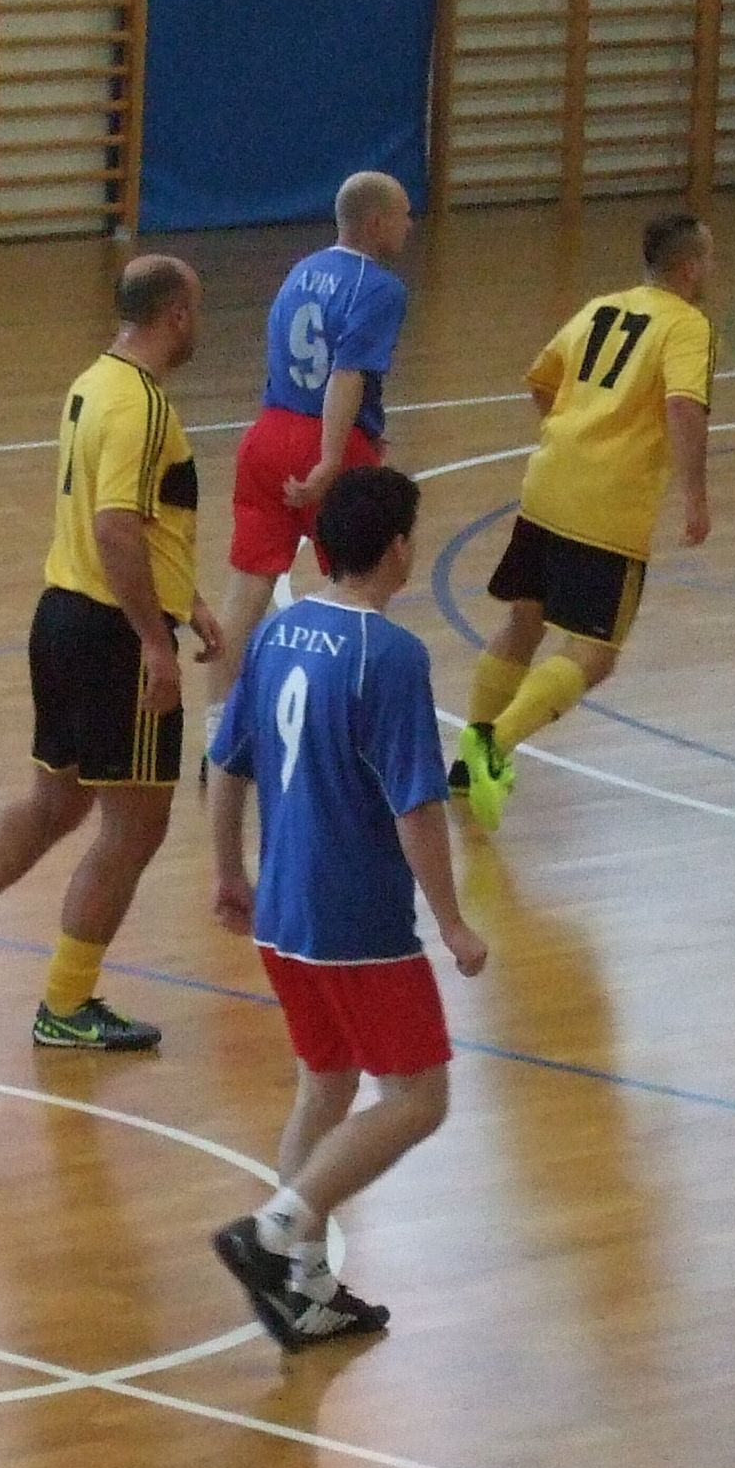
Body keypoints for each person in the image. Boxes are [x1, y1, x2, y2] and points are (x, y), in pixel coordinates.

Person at [0, 255, 223, 1052]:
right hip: (114, 635)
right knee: (135, 828)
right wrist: (156, 640)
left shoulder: (94, 383)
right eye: (197, 310)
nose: (199, 325)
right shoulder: (143, 405)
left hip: (62, 617)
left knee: (56, 805)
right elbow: (116, 528)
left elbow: (139, 525)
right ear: (176, 314)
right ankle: (66, 1005)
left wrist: (190, 602)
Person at [206, 466, 489, 1348]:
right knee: (420, 1099)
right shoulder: (391, 656)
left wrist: (227, 871)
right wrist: (451, 921)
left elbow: (227, 761)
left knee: (325, 1086)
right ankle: (273, 1232)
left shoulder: (278, 633)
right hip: (357, 926)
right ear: (399, 547)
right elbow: (417, 805)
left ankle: (308, 1288)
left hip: (282, 914)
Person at [450, 210, 716, 831]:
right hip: (608, 506)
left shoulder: (602, 307)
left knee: (523, 621)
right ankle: (492, 747)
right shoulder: (687, 325)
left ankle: (467, 762)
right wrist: (696, 496)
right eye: (709, 258)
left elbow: (540, 381)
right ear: (689, 267)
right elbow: (683, 405)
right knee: (595, 653)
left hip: (548, 485)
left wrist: (574, 431)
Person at [207, 172, 416, 738]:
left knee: (245, 592)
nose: (410, 224)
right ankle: (350, 729)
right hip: (329, 445)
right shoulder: (381, 288)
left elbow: (285, 358)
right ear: (376, 222)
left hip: (269, 433)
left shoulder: (300, 271)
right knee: (362, 590)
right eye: (403, 215)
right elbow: (347, 374)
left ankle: (218, 738)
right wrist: (331, 456)